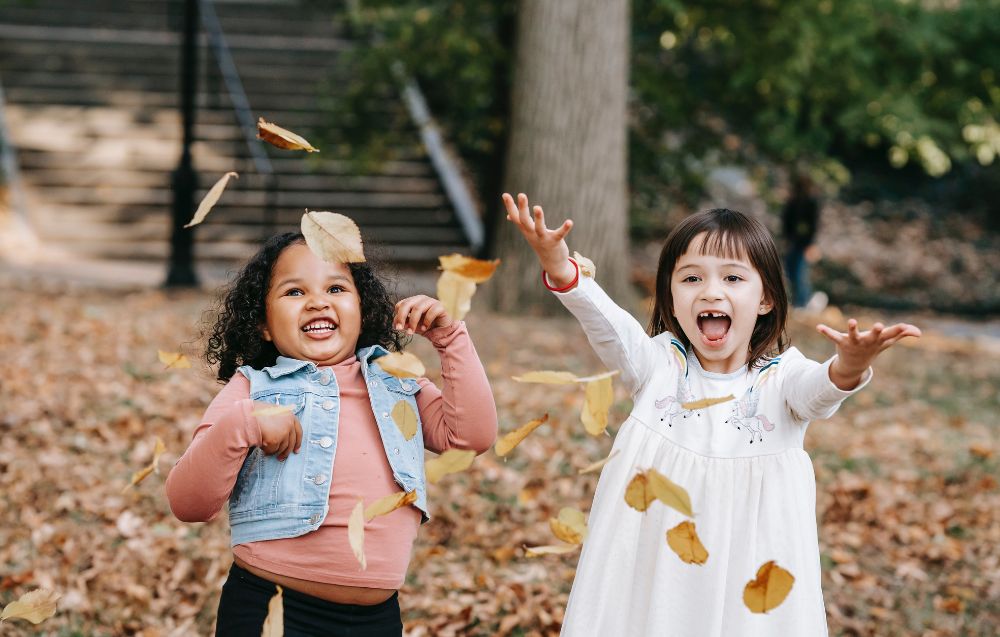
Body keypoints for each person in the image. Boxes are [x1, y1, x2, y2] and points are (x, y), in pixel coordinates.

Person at [503, 193, 919, 636]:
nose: (711, 290)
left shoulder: (781, 379)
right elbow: (608, 325)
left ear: (766, 300)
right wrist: (561, 268)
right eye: (691, 278)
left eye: (734, 277)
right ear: (671, 297)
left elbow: (819, 391)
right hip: (656, 563)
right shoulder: (658, 365)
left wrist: (851, 365)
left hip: (749, 566)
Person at [165, 232, 497, 636]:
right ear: (263, 324)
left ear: (363, 308)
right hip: (273, 609)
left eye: (336, 288)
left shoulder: (396, 380)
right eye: (294, 292)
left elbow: (471, 437)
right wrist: (244, 422)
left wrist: (450, 338)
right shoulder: (254, 389)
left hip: (377, 619)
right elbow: (188, 503)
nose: (318, 301)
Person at [782, 173, 822, 308]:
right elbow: (786, 223)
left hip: (803, 243)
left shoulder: (811, 203)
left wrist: (810, 245)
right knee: (791, 272)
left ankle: (802, 303)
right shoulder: (793, 202)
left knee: (800, 273)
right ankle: (796, 302)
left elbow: (813, 225)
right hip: (794, 242)